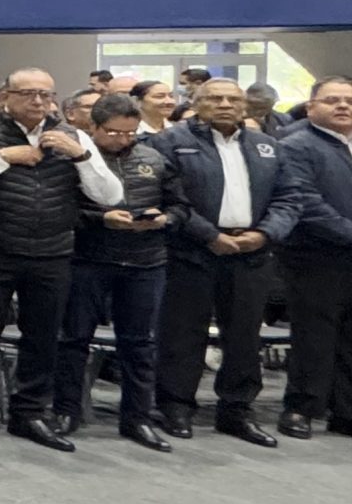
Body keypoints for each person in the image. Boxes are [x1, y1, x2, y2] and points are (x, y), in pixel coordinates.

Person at [0, 69, 122, 451]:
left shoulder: (75, 136)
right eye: (28, 93)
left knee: (44, 337)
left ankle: (29, 412)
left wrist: (80, 155)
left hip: (52, 252)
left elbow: (110, 196)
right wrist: (1, 157)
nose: (38, 101)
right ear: (5, 96)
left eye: (45, 95)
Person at [149, 78, 298, 446]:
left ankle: (237, 409)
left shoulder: (267, 145)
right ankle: (175, 405)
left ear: (245, 105)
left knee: (245, 335)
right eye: (215, 98)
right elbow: (168, 197)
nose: (225, 105)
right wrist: (209, 236)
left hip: (251, 250)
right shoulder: (169, 142)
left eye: (233, 99)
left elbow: (289, 198)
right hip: (191, 250)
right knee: (183, 333)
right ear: (196, 103)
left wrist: (264, 234)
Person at [58, 94, 180, 452]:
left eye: (130, 133)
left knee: (139, 344)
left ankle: (138, 418)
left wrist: (165, 218)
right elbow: (62, 209)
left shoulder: (154, 158)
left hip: (145, 261)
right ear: (93, 126)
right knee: (74, 340)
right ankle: (66, 411)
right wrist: (101, 218)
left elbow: (181, 206)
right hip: (88, 259)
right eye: (113, 132)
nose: (122, 140)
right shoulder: (73, 159)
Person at [277, 77, 352, 438]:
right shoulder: (295, 145)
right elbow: (306, 203)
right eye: (332, 100)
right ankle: (302, 408)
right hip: (315, 256)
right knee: (314, 336)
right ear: (311, 107)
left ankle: (346, 411)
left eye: (349, 100)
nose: (343, 106)